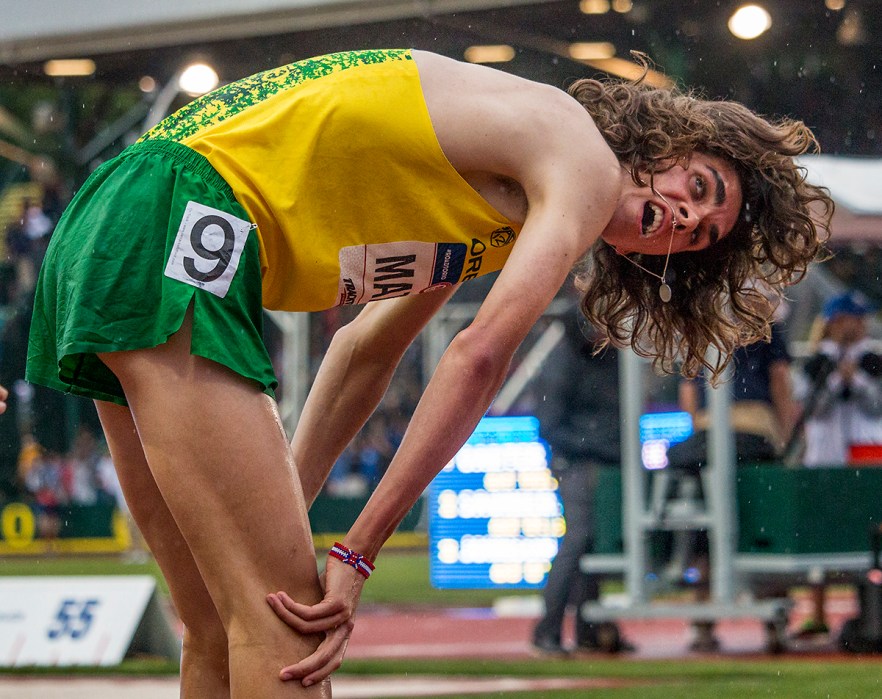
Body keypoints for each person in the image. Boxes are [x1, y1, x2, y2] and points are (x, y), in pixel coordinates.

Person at [24, 48, 831, 696]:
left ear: (660, 263)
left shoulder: (489, 198)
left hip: (117, 218)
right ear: (669, 145)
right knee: (291, 628)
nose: (686, 216)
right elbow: (476, 356)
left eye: (695, 236)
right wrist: (355, 553)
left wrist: (288, 510)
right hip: (183, 217)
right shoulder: (581, 161)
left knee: (215, 618)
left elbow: (364, 352)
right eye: (700, 186)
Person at [531, 304, 633, 655]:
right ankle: (548, 631)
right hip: (579, 461)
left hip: (604, 460)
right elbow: (549, 423)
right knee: (579, 539)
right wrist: (596, 445)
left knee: (592, 542)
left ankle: (589, 629)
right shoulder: (567, 359)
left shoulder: (608, 357)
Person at [799, 290, 882, 467]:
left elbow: (876, 407)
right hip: (825, 455)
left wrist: (857, 380)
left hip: (868, 453)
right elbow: (812, 410)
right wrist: (836, 381)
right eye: (855, 318)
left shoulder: (873, 361)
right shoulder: (817, 362)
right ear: (836, 322)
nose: (862, 324)